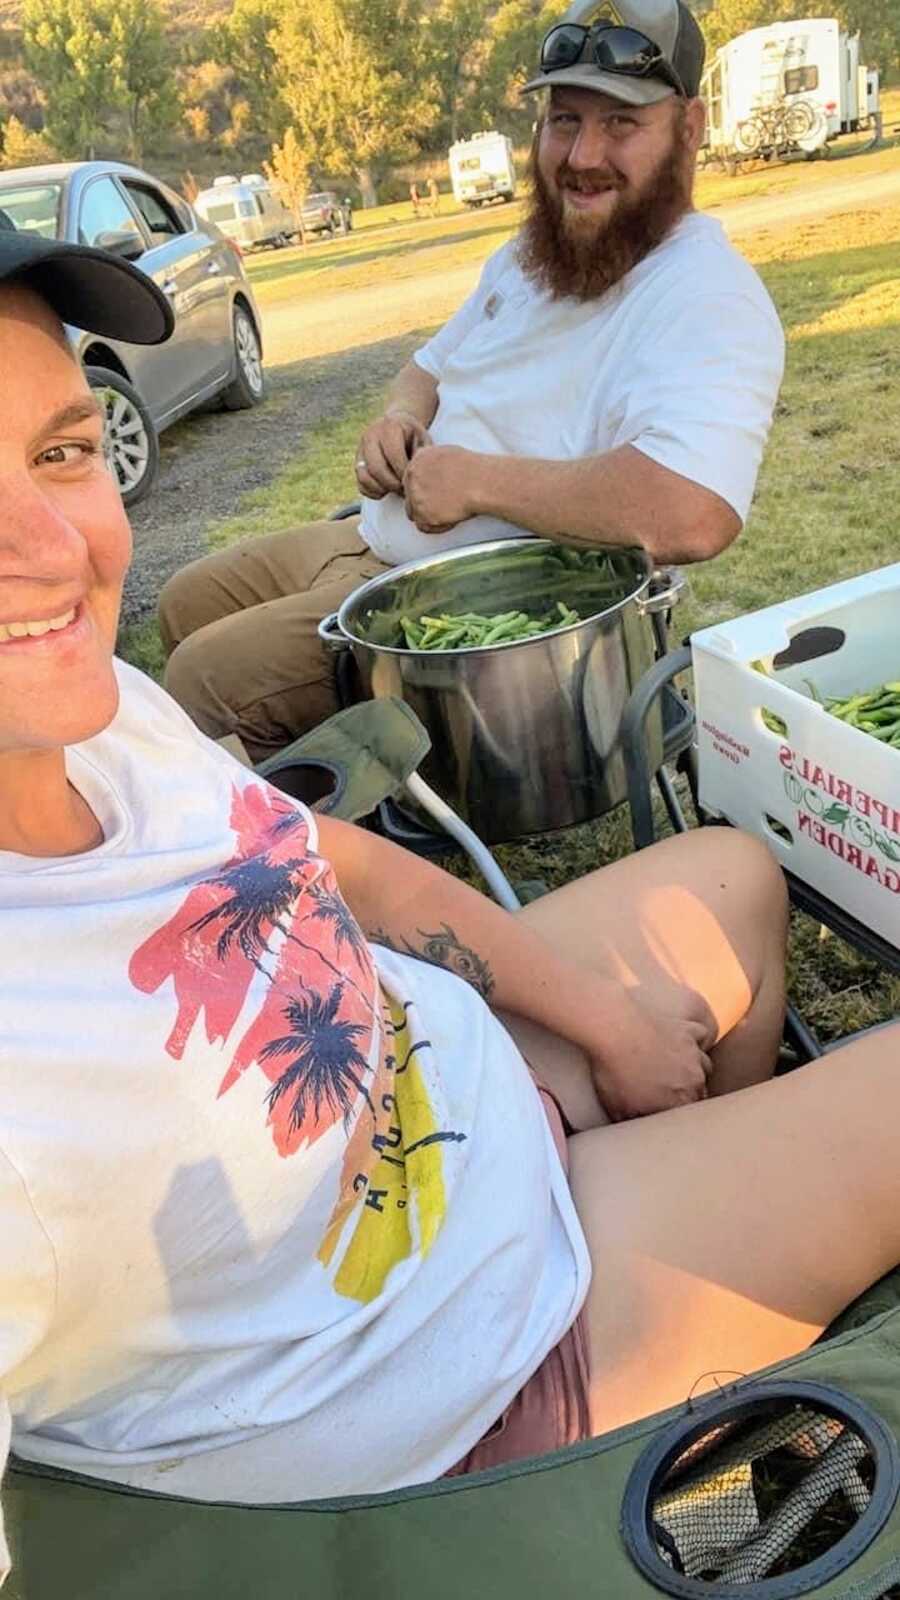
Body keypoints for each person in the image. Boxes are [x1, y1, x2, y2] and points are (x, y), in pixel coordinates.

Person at [5, 231, 900, 1596]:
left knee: (736, 876)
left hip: (436, 1098)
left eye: (59, 451)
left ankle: (734, 1280)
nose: (52, 545)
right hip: (463, 1351)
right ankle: (709, 1468)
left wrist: (599, 1018)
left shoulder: (102, 714)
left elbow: (328, 867)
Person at [158, 0, 786, 763]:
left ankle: (322, 846)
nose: (582, 155)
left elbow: (695, 512)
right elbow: (427, 367)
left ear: (689, 129)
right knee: (179, 605)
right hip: (368, 537)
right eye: (564, 120)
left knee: (203, 680)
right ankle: (350, 770)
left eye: (621, 123)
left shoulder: (706, 293)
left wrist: (477, 482)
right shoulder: (533, 257)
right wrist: (395, 420)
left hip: (466, 610)